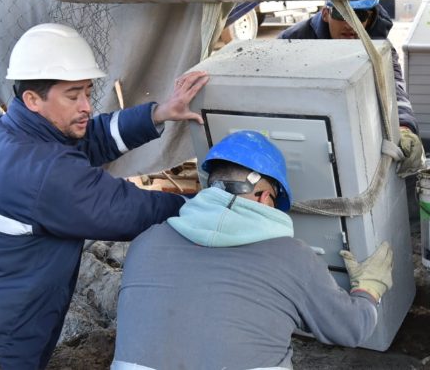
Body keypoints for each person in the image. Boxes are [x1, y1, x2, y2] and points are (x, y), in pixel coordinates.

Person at [0, 23, 209, 370]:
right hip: (1, 335)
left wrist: (159, 113)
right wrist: (212, 206)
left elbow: (89, 139)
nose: (86, 105)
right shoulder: (45, 173)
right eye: (73, 96)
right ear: (33, 99)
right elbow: (129, 210)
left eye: (88, 91)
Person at [112, 130, 394, 370]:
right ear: (262, 196)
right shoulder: (291, 256)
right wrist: (368, 289)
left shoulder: (146, 242)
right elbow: (351, 328)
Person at [278, 0, 424, 176]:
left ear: (369, 18)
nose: (350, 24)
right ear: (325, 14)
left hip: (357, 130)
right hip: (305, 132)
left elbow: (395, 91)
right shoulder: (292, 41)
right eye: (342, 14)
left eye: (359, 15)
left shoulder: (380, 49)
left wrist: (405, 128)